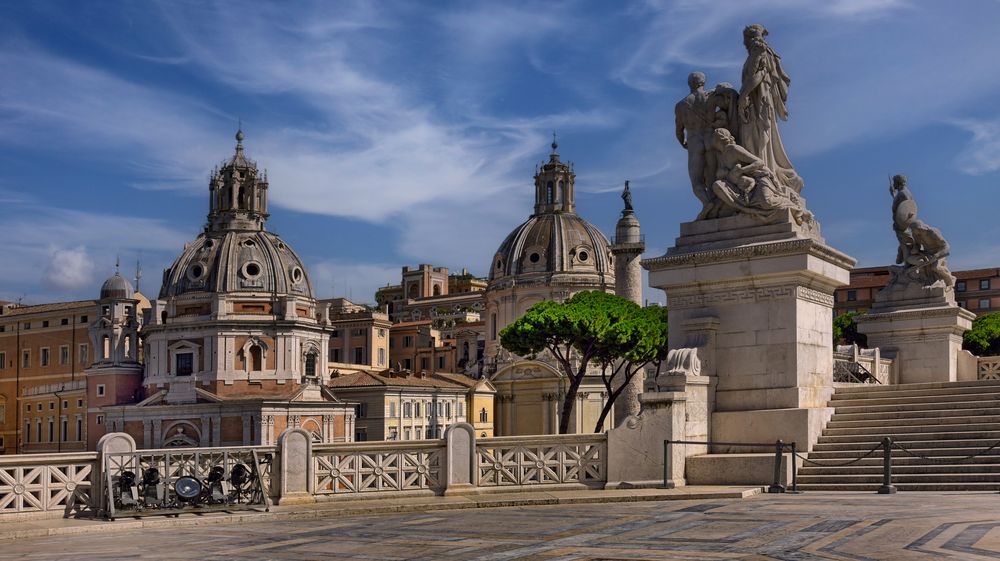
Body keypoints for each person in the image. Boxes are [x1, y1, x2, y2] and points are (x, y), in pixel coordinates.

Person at [738, 24, 803, 195]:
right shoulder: (764, 51)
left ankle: (764, 173)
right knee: (756, 136)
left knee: (756, 135)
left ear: (749, 37)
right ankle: (765, 170)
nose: (744, 43)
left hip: (758, 102)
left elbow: (756, 76)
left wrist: (743, 96)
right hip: (759, 101)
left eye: (745, 38)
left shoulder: (758, 50)